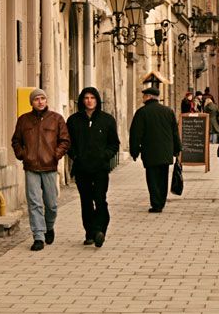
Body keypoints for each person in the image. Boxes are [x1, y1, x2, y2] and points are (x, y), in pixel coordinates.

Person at [11, 88, 72, 251]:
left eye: (42, 98)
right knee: (34, 203)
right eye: (36, 99)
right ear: (31, 102)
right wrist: (23, 154)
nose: (40, 101)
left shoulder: (56, 119)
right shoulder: (23, 120)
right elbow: (16, 141)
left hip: (49, 166)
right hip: (31, 167)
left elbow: (65, 140)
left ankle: (49, 226)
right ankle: (38, 236)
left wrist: (55, 155)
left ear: (46, 101)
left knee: (51, 204)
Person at [66, 86, 120, 248]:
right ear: (82, 100)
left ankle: (99, 231)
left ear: (97, 100)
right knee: (86, 201)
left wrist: (105, 156)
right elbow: (68, 143)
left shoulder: (107, 120)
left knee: (100, 199)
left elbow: (114, 143)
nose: (89, 101)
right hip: (82, 168)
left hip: (100, 168)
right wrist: (76, 156)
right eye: (86, 98)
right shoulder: (74, 120)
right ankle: (89, 232)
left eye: (93, 98)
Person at [130, 82, 181, 213]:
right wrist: (177, 149)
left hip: (150, 152)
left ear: (148, 97)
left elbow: (136, 134)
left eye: (144, 96)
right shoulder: (168, 111)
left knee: (152, 178)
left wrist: (134, 151)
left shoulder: (142, 112)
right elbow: (175, 132)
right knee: (163, 177)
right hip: (165, 152)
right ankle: (161, 202)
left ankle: (156, 203)